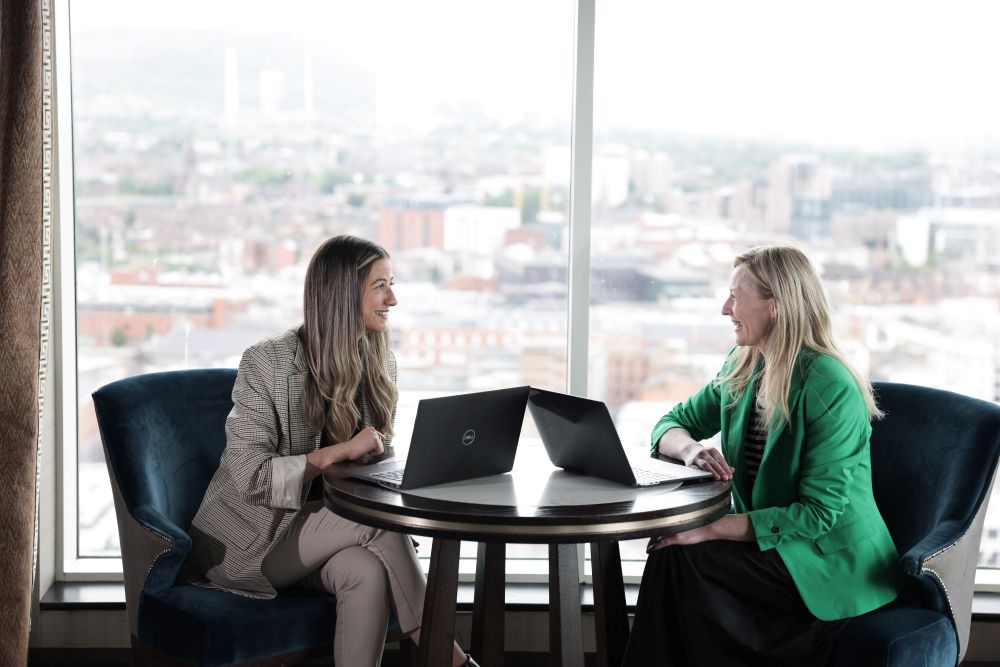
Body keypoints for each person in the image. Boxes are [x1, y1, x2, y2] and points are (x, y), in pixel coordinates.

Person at [184, 235, 478, 667]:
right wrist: (337, 453)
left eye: (391, 284)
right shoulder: (268, 363)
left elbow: (375, 464)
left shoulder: (380, 363)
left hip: (328, 538)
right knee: (378, 527)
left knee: (365, 571)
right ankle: (445, 654)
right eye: (380, 286)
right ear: (344, 293)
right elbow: (250, 477)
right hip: (255, 542)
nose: (393, 299)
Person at [622, 244, 900, 666]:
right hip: (770, 542)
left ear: (776, 304)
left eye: (736, 296)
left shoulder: (830, 385)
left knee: (678, 561)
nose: (724, 308)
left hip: (827, 556)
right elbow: (669, 426)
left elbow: (817, 515)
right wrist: (692, 449)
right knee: (673, 557)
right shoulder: (743, 363)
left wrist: (712, 529)